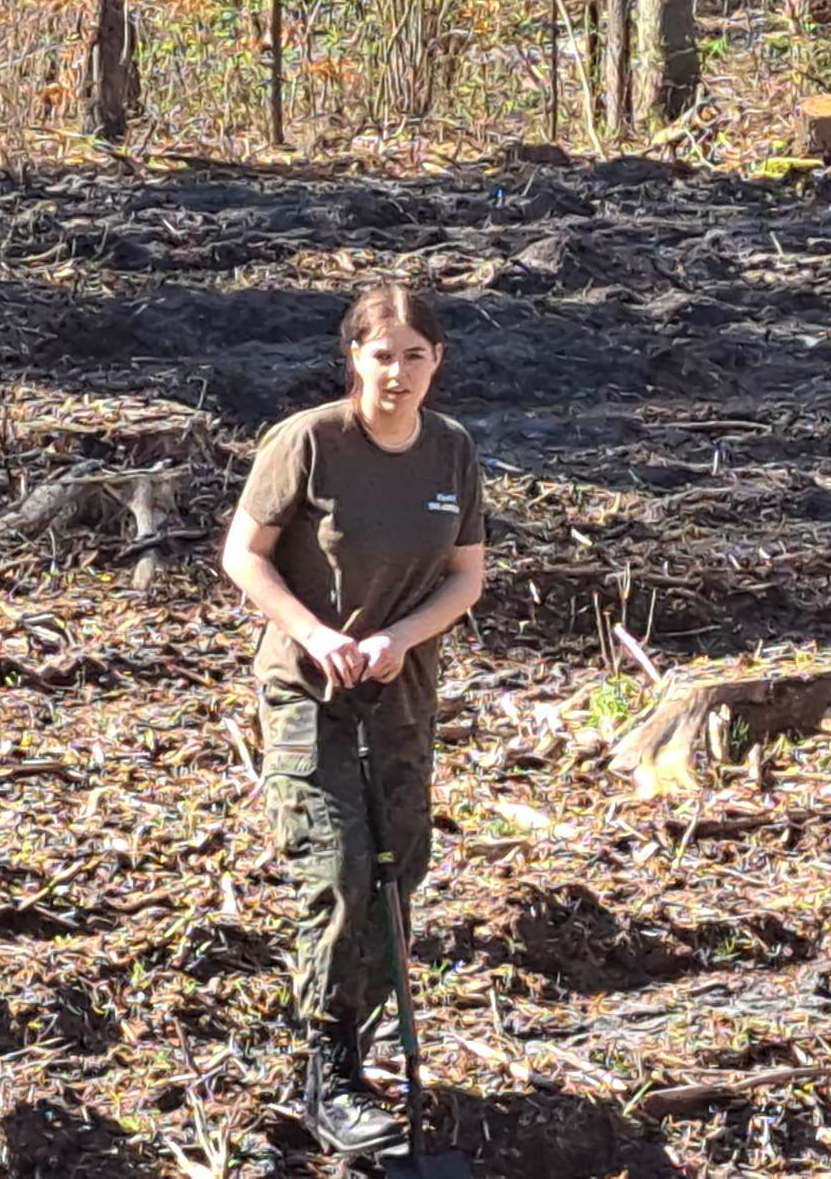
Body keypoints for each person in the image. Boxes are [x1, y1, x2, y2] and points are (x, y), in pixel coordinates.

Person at [220, 282, 487, 1158]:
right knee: (337, 869)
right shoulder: (309, 442)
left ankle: (357, 1048)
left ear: (437, 361)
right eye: (382, 356)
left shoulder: (450, 450)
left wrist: (401, 638)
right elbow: (244, 556)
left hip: (400, 691)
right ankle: (327, 1071)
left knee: (396, 869)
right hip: (310, 690)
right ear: (354, 359)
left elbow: (466, 575)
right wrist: (316, 634)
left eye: (415, 356)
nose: (398, 374)